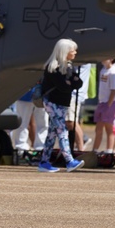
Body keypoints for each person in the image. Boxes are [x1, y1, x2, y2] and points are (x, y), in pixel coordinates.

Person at [37, 38, 85, 173]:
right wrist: (70, 83)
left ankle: (44, 161)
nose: (75, 52)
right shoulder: (53, 67)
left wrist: (70, 83)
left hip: (63, 103)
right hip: (52, 102)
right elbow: (65, 86)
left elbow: (78, 83)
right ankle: (69, 160)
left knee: (52, 133)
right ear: (65, 51)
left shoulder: (67, 67)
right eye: (72, 50)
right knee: (62, 130)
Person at [92, 57, 115, 154]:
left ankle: (109, 151)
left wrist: (108, 105)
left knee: (109, 127)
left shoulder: (113, 72)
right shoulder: (103, 70)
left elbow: (114, 90)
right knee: (98, 127)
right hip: (102, 101)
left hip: (110, 102)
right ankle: (95, 150)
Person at [11, 84, 47, 155]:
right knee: (21, 122)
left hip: (43, 93)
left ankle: (40, 148)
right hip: (25, 92)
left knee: (43, 123)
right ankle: (21, 149)